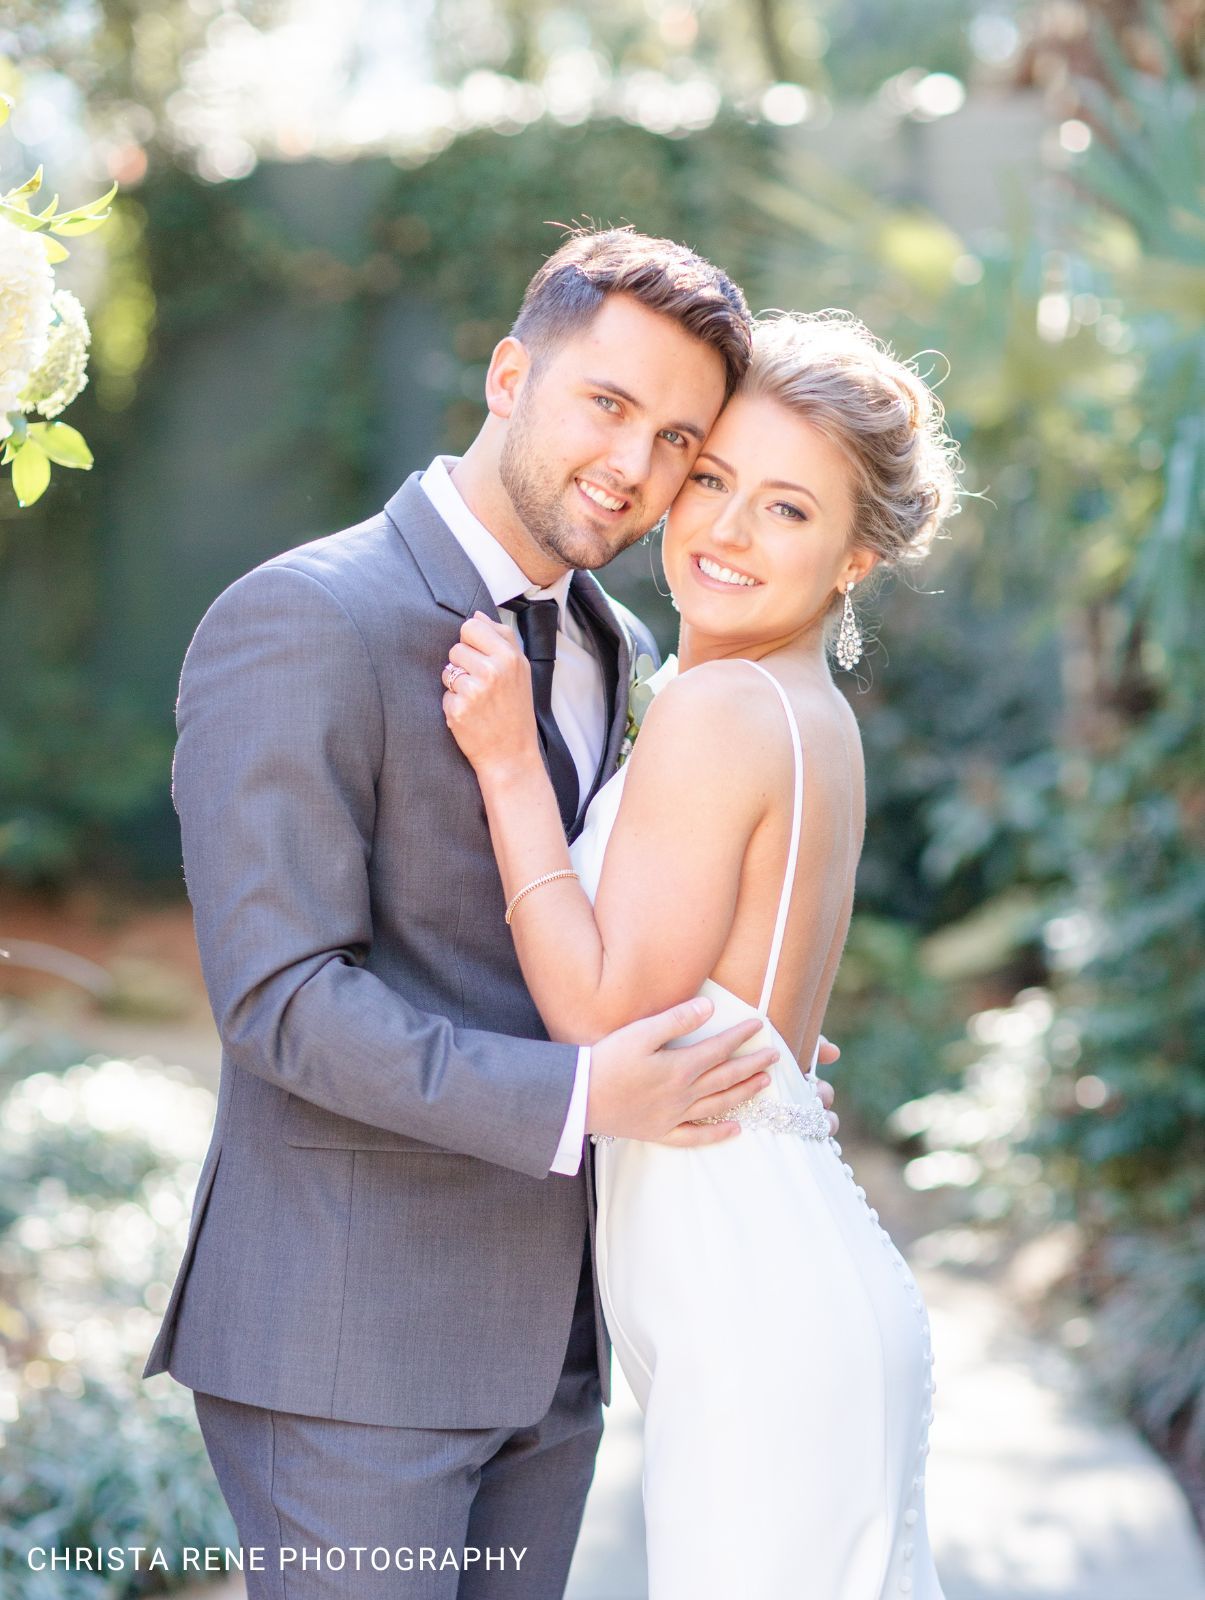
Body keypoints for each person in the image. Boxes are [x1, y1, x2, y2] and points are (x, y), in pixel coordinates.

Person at [141, 228, 843, 1599]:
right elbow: (279, 999)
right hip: (350, 1347)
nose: (634, 469)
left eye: (676, 442)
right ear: (510, 371)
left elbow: (595, 933)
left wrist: (715, 1029)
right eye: (608, 406)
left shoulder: (617, 645)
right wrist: (587, 1096)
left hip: (555, 1342)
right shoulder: (303, 618)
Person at [444, 308, 962, 1599]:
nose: (724, 532)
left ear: (855, 557)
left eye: (786, 511)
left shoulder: (722, 708)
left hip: (755, 1321)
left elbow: (598, 1017)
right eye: (712, 480)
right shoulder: (798, 710)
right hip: (782, 1285)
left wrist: (510, 771)